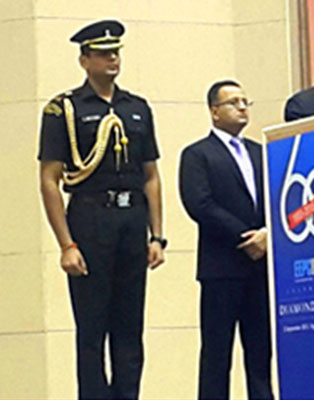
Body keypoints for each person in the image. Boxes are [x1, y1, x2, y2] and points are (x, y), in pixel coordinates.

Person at [37, 20, 166, 399]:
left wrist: (157, 236)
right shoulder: (64, 110)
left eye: (116, 53)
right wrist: (66, 244)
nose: (112, 59)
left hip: (132, 220)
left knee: (129, 327)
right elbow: (50, 179)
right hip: (90, 219)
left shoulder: (136, 108)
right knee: (92, 328)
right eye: (103, 53)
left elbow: (151, 175)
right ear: (84, 60)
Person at [178, 80, 273, 400]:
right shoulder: (197, 154)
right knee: (217, 354)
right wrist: (246, 236)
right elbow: (199, 204)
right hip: (222, 266)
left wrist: (266, 235)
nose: (242, 107)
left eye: (246, 101)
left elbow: (275, 200)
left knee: (260, 352)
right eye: (234, 102)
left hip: (261, 266)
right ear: (214, 111)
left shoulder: (260, 153)